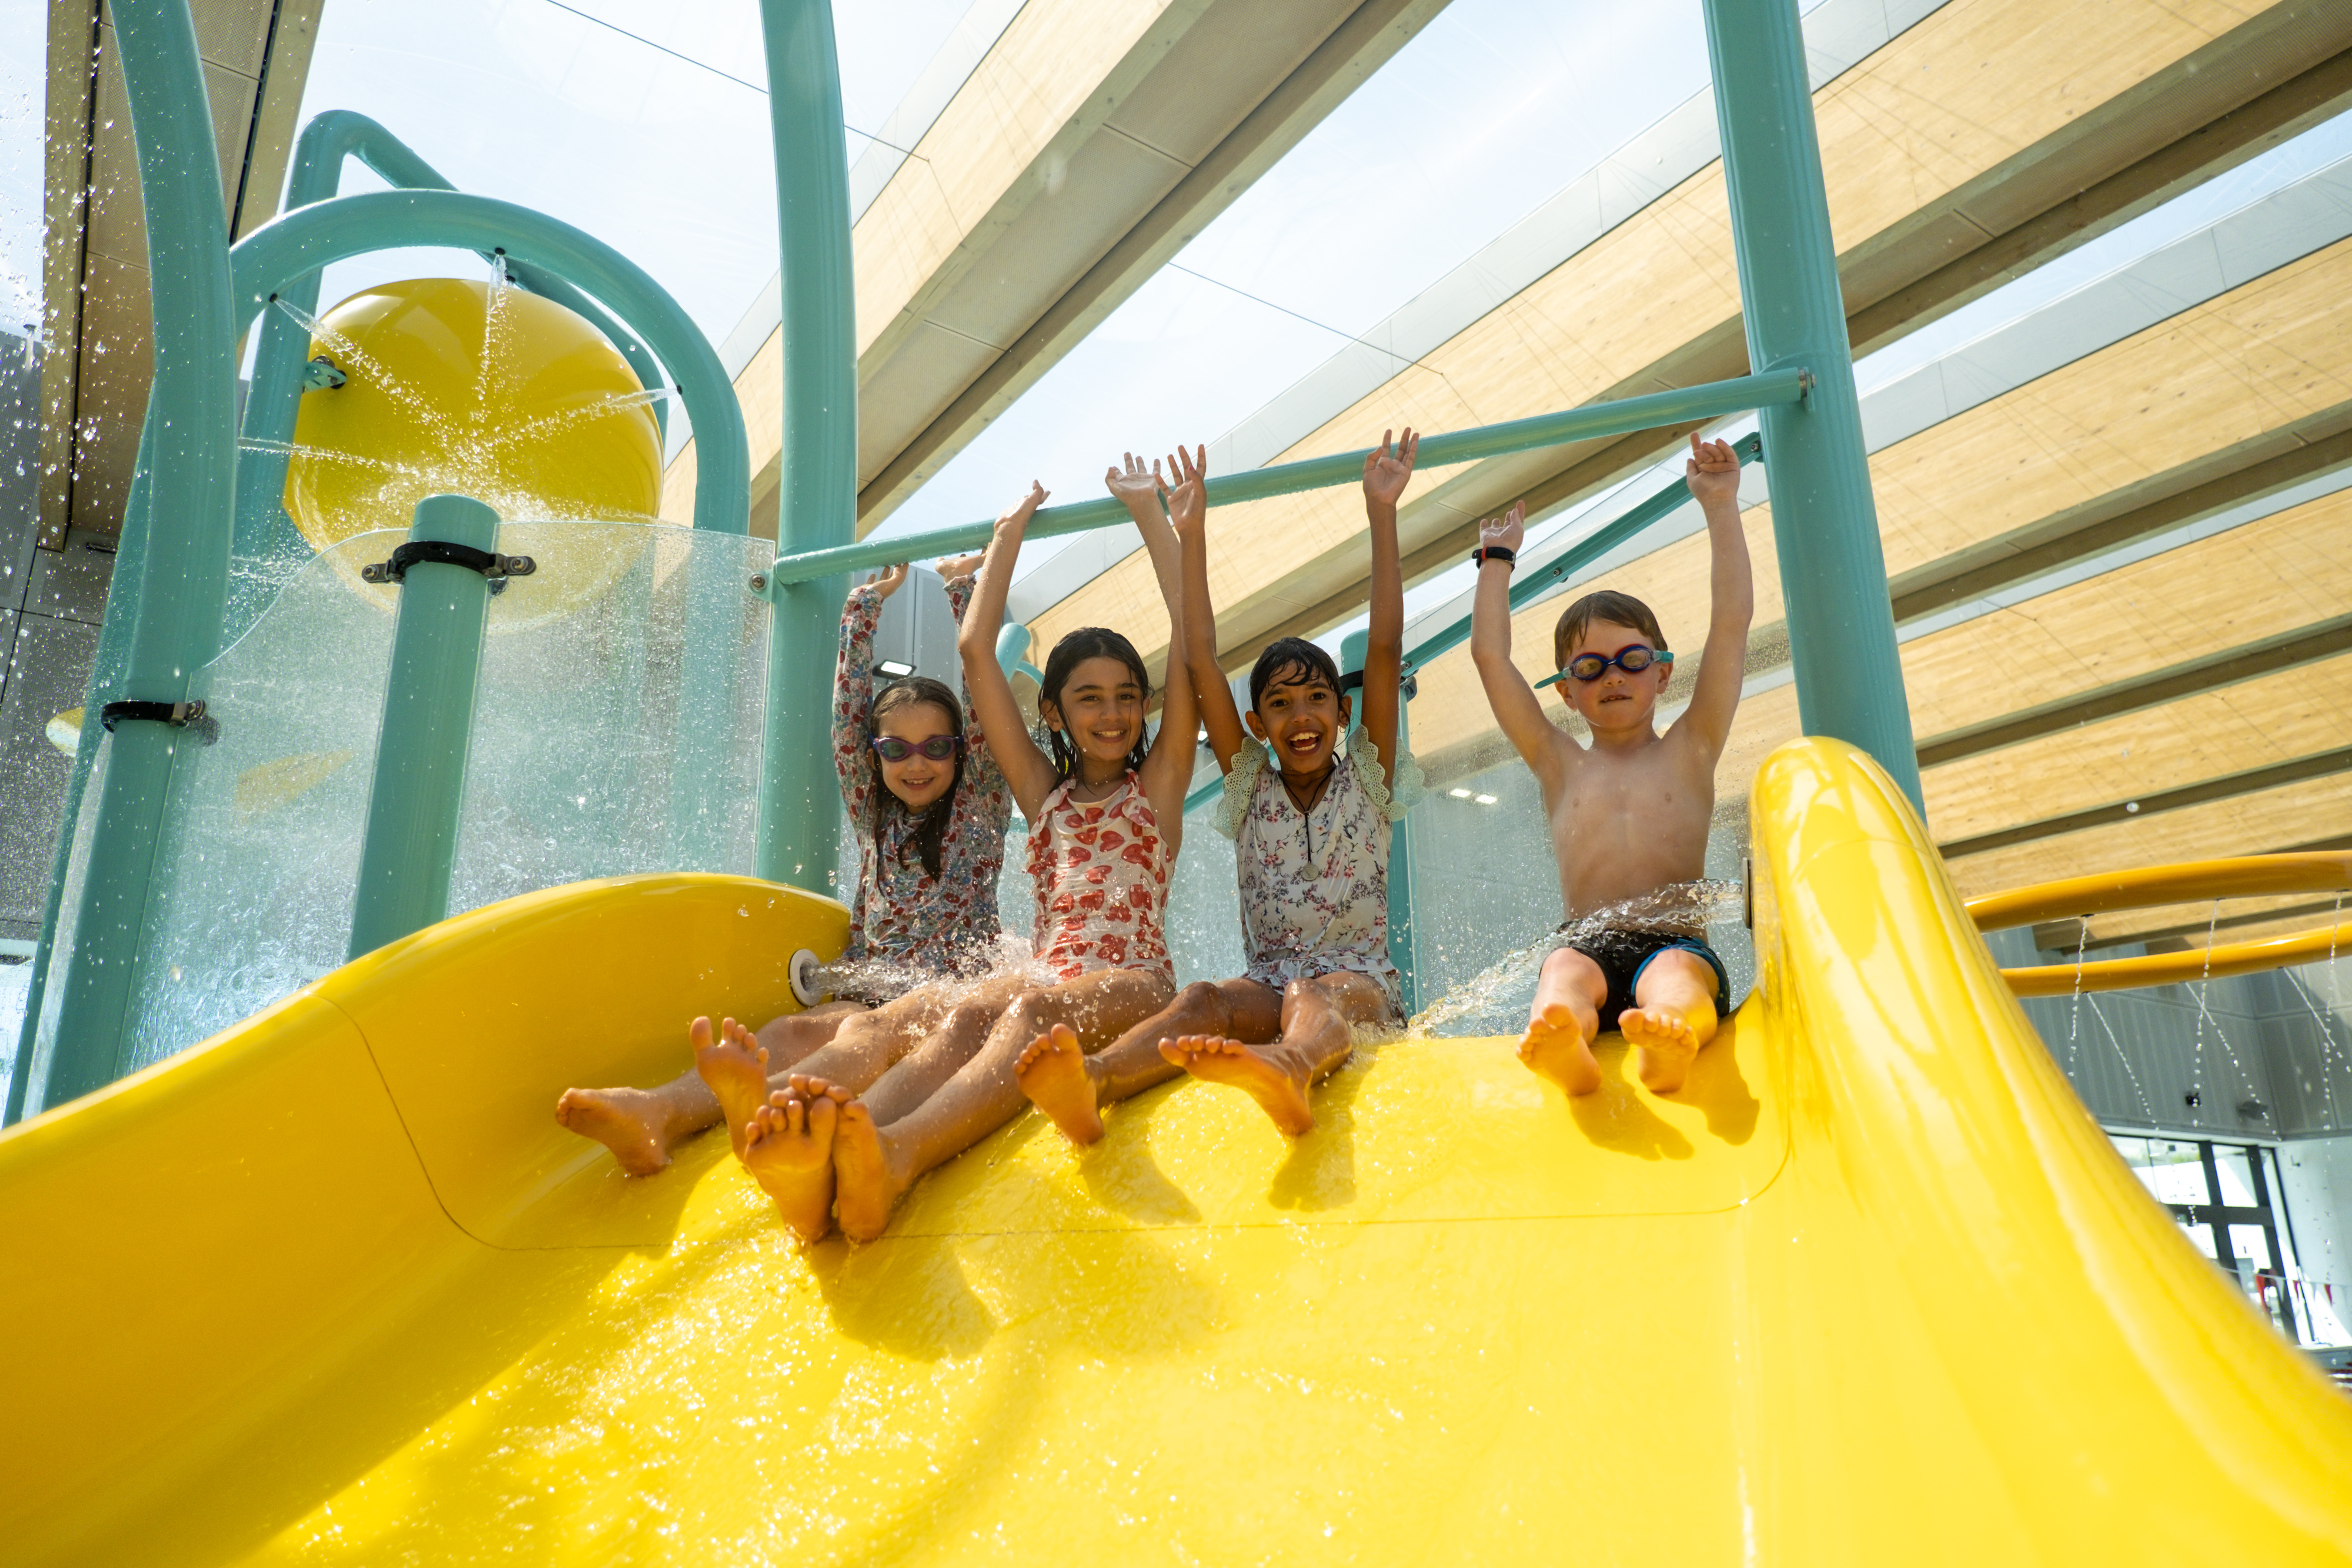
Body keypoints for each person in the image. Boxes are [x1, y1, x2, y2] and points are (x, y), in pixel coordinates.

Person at [714, 450, 1201, 1242]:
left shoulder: (1160, 785)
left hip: (1135, 981)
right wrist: (1008, 533)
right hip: (1045, 975)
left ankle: (898, 1149)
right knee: (952, 1008)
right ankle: (832, 1144)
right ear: (1052, 712)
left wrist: (1157, 517)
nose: (1110, 714)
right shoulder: (1044, 798)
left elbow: (1189, 646)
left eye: (1124, 697)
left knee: (1028, 1006)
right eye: (1088, 698)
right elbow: (977, 653)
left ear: (1144, 708)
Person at [554, 551, 1020, 1175]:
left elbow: (989, 714)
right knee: (787, 1032)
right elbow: (844, 721)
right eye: (896, 749)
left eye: (937, 747)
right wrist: (863, 609)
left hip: (946, 997)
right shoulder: (874, 813)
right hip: (873, 988)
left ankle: (768, 1108)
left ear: (961, 752)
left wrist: (963, 591)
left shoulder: (980, 809)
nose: (917, 763)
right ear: (875, 756)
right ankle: (656, 1110)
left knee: (857, 1038)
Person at [1017, 433, 1425, 1141]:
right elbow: (1199, 653)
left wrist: (1381, 511)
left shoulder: (1370, 777)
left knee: (1312, 992)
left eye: (1317, 700)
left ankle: (1293, 1065)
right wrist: (1190, 532)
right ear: (1254, 723)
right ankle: (1096, 1079)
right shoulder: (1249, 790)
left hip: (1361, 987)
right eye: (1280, 704)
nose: (1301, 717)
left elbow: (1384, 648)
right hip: (1266, 984)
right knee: (1203, 997)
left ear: (1342, 711)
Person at [1468, 432, 1750, 1097]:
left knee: (1677, 981)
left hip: (1675, 941)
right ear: (1566, 692)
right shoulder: (1557, 762)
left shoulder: (1693, 746)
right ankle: (1561, 1039)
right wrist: (1495, 562)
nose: (1614, 678)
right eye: (1591, 669)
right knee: (1562, 974)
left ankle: (1669, 1040)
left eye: (1631, 661)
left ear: (1663, 674)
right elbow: (1489, 658)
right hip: (1586, 941)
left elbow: (1731, 624)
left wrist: (1719, 505)